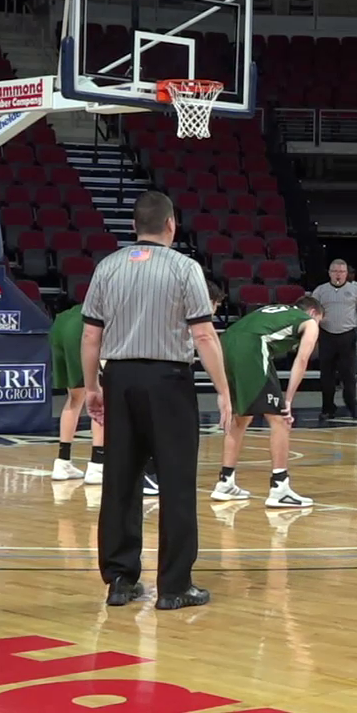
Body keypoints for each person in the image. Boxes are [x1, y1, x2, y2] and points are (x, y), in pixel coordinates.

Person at [80, 191, 226, 611]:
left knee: (120, 479)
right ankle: (175, 586)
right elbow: (203, 335)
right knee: (176, 482)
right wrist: (223, 390)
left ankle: (120, 581)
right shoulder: (185, 268)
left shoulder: (107, 267)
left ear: (134, 226)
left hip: (119, 378)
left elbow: (91, 336)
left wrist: (92, 387)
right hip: (169, 380)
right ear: (171, 224)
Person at [208, 297, 321, 509]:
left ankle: (225, 482)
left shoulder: (275, 310)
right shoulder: (310, 321)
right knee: (280, 420)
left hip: (226, 343)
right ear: (313, 312)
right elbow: (302, 360)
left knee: (240, 418)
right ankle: (280, 487)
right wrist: (287, 400)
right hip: (251, 347)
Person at [50, 291, 103, 485]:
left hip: (59, 327)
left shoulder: (74, 309)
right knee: (100, 397)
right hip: (81, 329)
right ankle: (97, 465)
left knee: (74, 398)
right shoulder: (107, 305)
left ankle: (63, 463)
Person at [311, 258, 357, 421]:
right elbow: (311, 311)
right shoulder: (320, 291)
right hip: (327, 335)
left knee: (348, 374)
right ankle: (328, 408)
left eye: (342, 271)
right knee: (326, 375)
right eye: (335, 271)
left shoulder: (355, 290)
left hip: (347, 336)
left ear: (347, 274)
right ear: (329, 273)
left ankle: (352, 406)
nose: (338, 274)